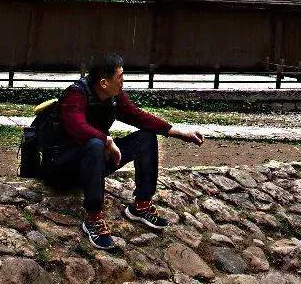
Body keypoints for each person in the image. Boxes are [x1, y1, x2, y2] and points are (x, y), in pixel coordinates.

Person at [38, 53, 204, 251]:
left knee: (146, 137)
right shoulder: (75, 94)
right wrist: (106, 141)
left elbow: (138, 116)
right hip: (63, 168)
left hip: (94, 163)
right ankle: (93, 219)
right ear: (104, 82)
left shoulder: (113, 98)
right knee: (94, 144)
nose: (123, 82)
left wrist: (180, 132)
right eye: (120, 77)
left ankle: (141, 205)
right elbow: (78, 126)